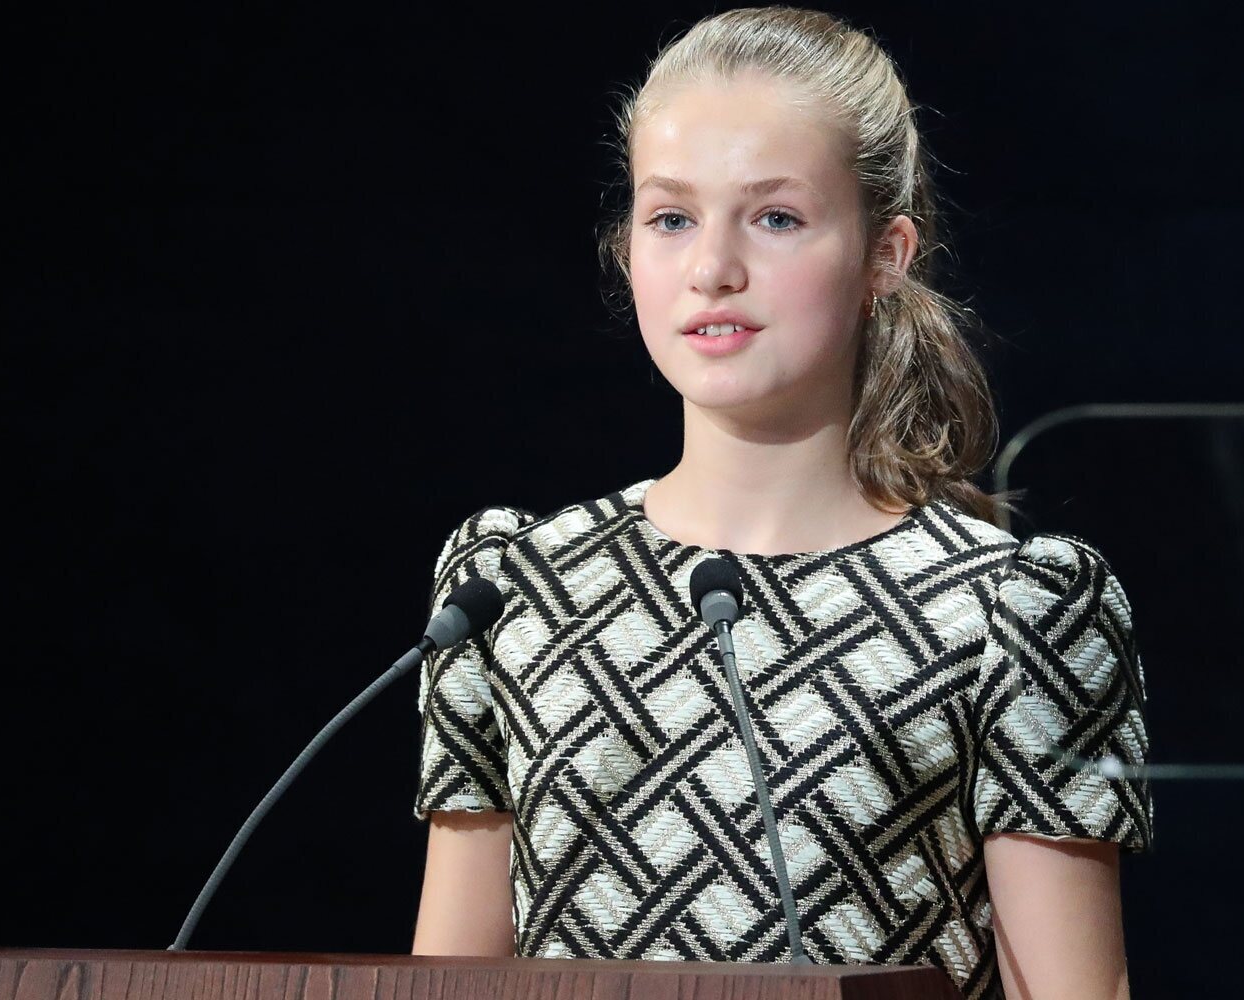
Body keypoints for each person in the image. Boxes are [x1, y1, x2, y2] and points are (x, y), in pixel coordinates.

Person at [406, 8, 1151, 1000]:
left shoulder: (1010, 612)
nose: (711, 267)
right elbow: (444, 983)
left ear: (884, 255)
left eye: (774, 217)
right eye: (670, 218)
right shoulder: (512, 588)